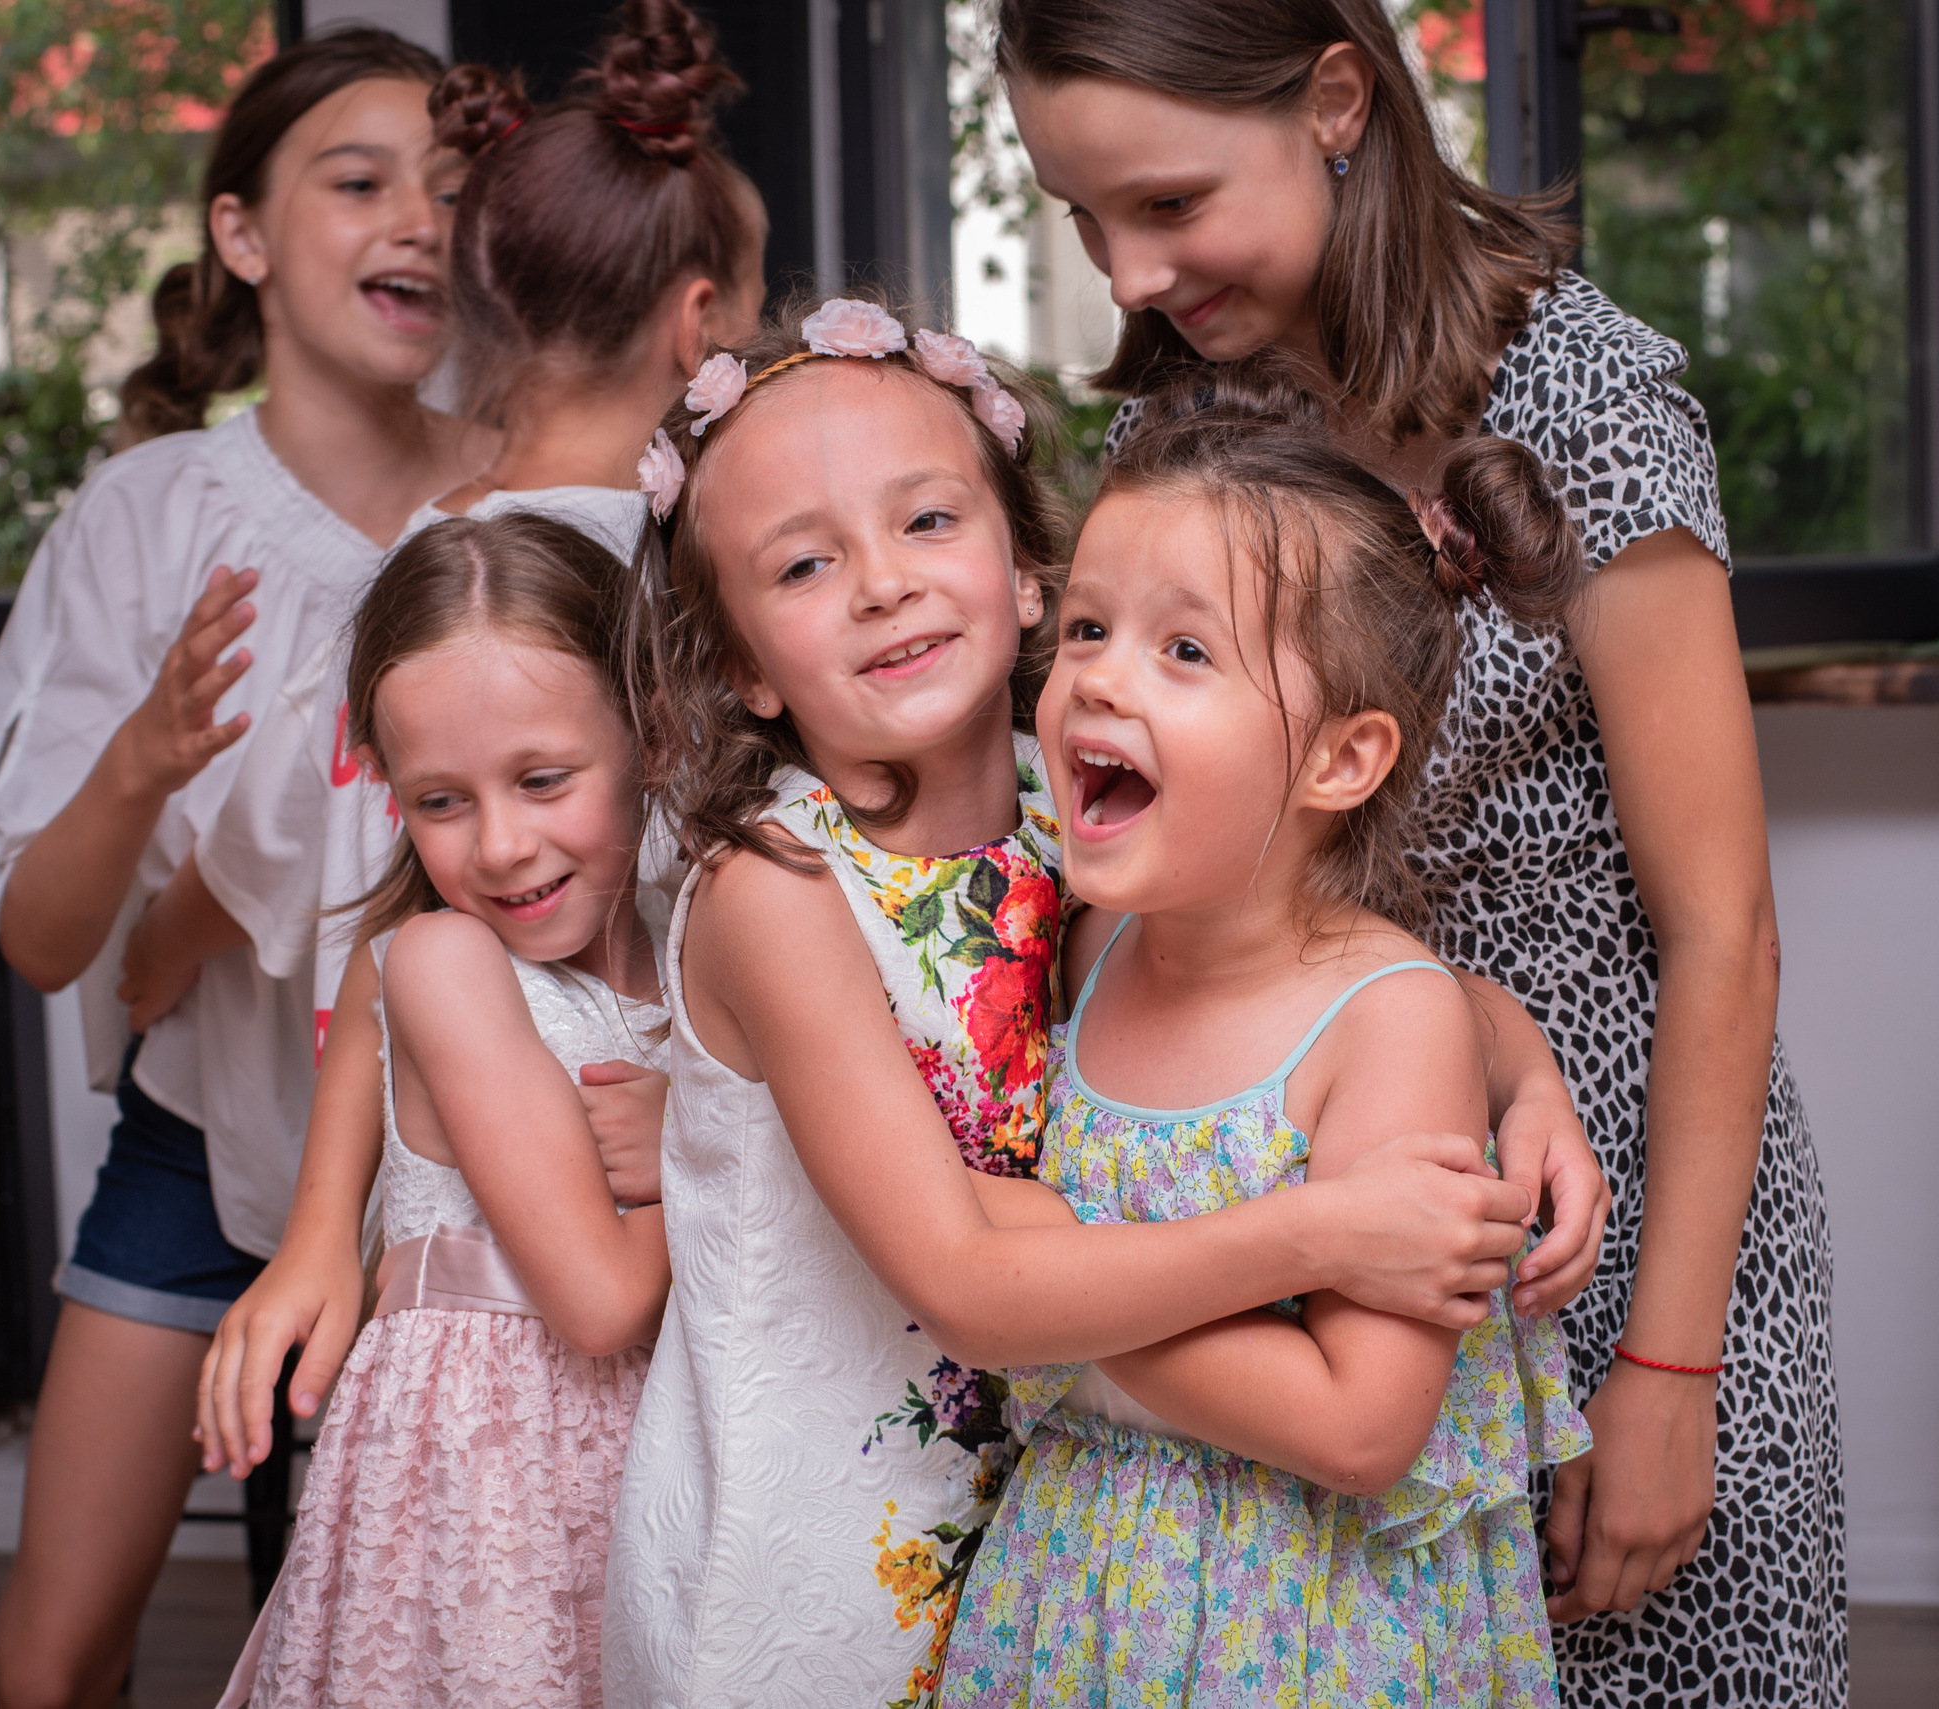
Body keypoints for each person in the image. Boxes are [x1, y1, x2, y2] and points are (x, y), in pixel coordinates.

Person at [996, 2, 1842, 1702]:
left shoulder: (1585, 397)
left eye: (1166, 202)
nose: (1132, 273)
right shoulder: (1181, 433)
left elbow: (1724, 924)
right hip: (1284, 1205)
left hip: (1584, 1209)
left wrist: (1669, 1367)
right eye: (1085, 217)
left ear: (1331, 101)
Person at [600, 299, 1603, 1707]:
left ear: (1022, 570)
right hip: (820, 1553)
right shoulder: (780, 888)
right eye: (807, 562)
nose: (883, 584)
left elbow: (1326, 971)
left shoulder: (1075, 833)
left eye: (926, 523)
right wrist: (1318, 1230)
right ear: (745, 664)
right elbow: (961, 1271)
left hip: (1051, 1544)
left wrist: (1529, 1070)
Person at [0, 27, 499, 1709]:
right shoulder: (149, 515)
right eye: (361, 181)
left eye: (455, 193)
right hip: (197, 1152)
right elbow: (42, 943)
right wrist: (147, 761)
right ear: (241, 234)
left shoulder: (541, 501)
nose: (417, 222)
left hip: (470, 1164)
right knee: (46, 1656)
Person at [943, 362, 1592, 1706]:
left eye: (1186, 651)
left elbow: (1361, 1424)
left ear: (1341, 761)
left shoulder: (1384, 1021)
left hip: (1295, 1628)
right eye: (1085, 632)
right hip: (1081, 1595)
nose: (1102, 682)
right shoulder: (1081, 940)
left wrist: (1043, 1299)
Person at [191, 0, 765, 1488]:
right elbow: (416, 930)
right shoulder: (662, 580)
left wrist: (328, 1216)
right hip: (532, 1242)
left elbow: (384, 927)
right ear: (704, 326)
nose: (494, 831)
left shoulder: (426, 558)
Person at [216, 513, 671, 1708]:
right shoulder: (440, 962)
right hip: (491, 1493)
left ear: (652, 730)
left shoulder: (696, 950)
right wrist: (710, 1150)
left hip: (658, 1453)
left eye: (542, 779)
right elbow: (605, 1297)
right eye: (440, 800)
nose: (504, 843)